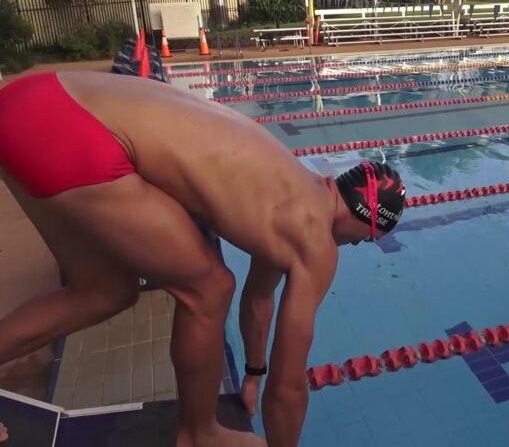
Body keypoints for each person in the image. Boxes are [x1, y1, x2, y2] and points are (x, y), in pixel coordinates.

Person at [0, 72, 406, 447]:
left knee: (102, 291)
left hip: (32, 104)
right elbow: (289, 387)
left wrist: (253, 375)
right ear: (365, 218)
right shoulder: (316, 242)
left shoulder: (294, 192)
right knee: (209, 289)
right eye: (368, 238)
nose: (357, 245)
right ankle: (199, 435)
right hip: (77, 134)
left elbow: (259, 298)